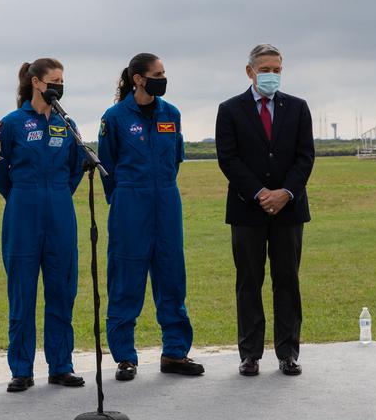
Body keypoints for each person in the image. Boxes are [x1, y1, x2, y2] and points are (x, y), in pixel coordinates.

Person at [98, 53, 203, 381]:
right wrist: (125, 197)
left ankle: (175, 352)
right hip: (130, 201)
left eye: (164, 72)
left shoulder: (171, 114)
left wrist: (160, 189)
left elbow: (175, 159)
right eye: (157, 73)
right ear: (138, 79)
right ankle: (125, 357)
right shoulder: (114, 117)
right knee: (126, 279)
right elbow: (106, 166)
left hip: (166, 201)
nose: (162, 78)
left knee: (172, 275)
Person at [214, 43, 314, 378]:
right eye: (265, 69)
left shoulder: (298, 108)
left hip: (289, 209)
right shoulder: (230, 110)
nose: (271, 75)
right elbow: (228, 159)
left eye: (277, 69)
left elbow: (305, 158)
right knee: (249, 282)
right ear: (250, 71)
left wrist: (285, 193)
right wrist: (260, 194)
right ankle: (250, 354)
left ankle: (288, 353)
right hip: (247, 209)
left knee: (287, 281)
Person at [0, 59, 86, 392]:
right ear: (35, 82)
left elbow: (75, 169)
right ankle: (21, 369)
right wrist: (22, 197)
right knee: (22, 294)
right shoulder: (11, 123)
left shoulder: (67, 123)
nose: (59, 86)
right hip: (23, 212)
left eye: (63, 80)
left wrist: (57, 195)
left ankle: (61, 366)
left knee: (62, 291)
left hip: (60, 210)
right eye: (53, 80)